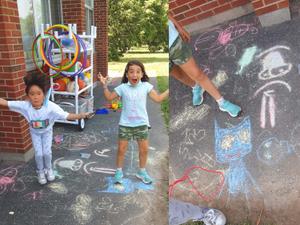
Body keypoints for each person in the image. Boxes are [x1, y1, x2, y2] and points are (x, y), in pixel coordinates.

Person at [0, 73, 92, 185]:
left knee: (47, 152)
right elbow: (6, 102)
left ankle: (48, 169)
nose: (35, 97)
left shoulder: (51, 107)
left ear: (44, 94)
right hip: (35, 133)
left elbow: (67, 116)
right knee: (39, 154)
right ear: (28, 96)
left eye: (39, 93)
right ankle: (40, 171)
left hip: (47, 132)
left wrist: (82, 115)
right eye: (32, 94)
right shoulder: (25, 106)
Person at [98, 60, 169, 184]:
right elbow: (109, 97)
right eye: (131, 72)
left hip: (142, 124)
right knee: (121, 149)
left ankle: (142, 172)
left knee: (144, 150)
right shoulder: (122, 88)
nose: (134, 75)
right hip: (125, 124)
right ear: (127, 74)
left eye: (138, 72)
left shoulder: (146, 86)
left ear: (142, 74)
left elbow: (158, 99)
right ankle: (119, 172)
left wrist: (169, 89)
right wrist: (104, 85)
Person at [169, 14, 241, 117]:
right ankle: (196, 87)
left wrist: (179, 27)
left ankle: (222, 102)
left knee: (197, 74)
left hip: (172, 41)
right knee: (178, 75)